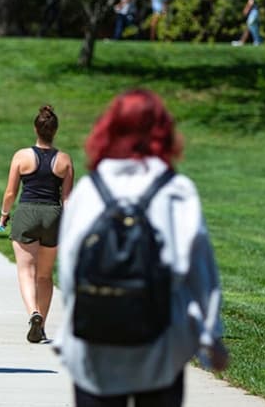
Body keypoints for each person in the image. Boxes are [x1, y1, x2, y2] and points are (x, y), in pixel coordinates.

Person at [55, 89, 229, 407]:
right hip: (160, 342)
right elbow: (201, 272)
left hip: (96, 346)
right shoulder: (177, 191)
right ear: (163, 132)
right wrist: (210, 336)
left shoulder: (89, 190)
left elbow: (69, 270)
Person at [0, 105, 74, 343]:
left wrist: (4, 214)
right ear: (55, 131)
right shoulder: (64, 160)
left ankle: (33, 313)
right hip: (53, 215)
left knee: (25, 271)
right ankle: (41, 324)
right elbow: (68, 199)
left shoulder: (21, 156)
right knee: (45, 275)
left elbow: (11, 192)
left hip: (27, 213)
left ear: (36, 129)